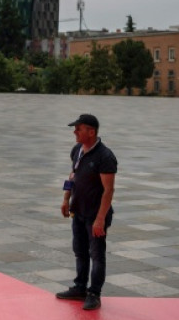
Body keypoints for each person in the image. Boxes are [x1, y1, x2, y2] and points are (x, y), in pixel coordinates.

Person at [56, 113, 117, 311]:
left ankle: (94, 294)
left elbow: (108, 190)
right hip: (78, 211)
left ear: (91, 132)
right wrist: (66, 199)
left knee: (97, 255)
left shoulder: (105, 156)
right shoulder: (77, 150)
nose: (74, 132)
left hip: (95, 216)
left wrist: (100, 220)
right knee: (80, 251)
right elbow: (72, 175)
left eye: (78, 128)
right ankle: (80, 287)